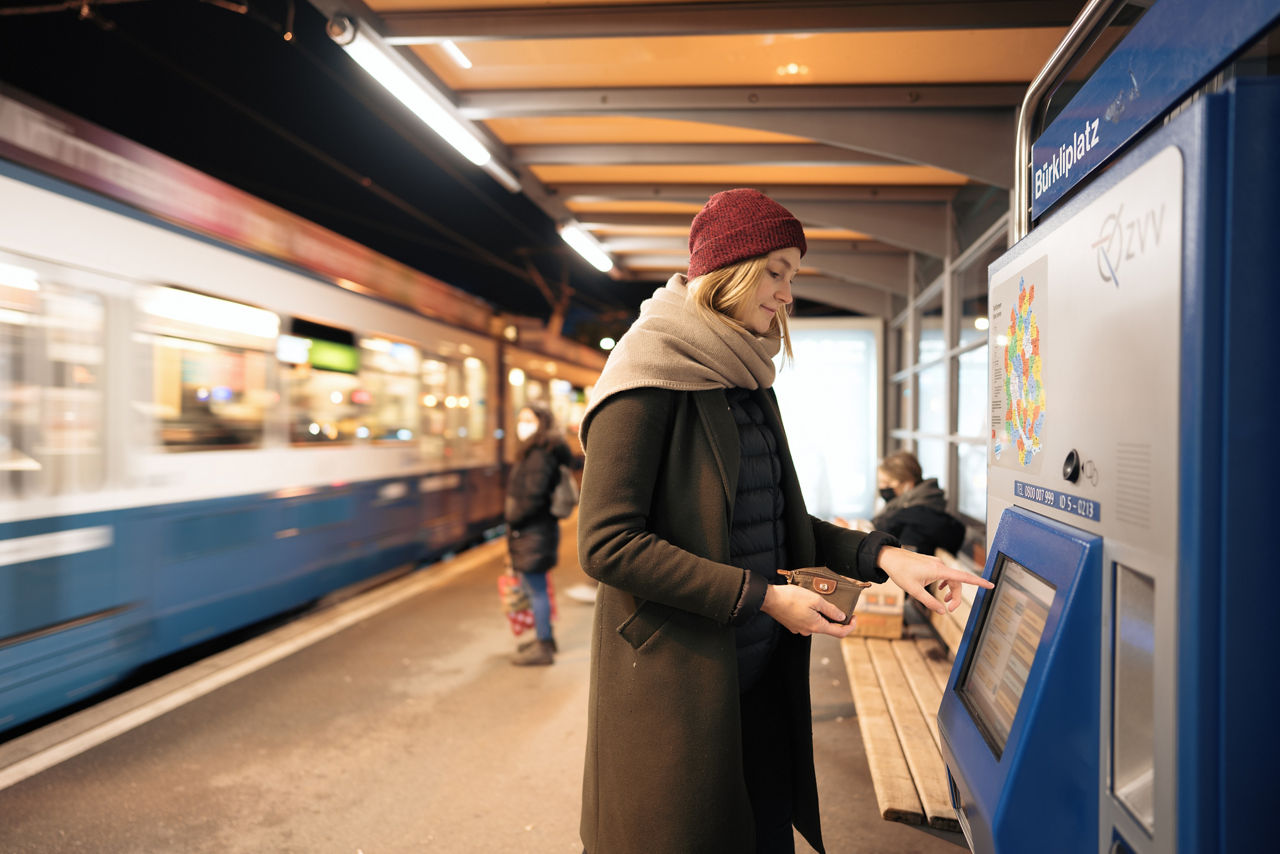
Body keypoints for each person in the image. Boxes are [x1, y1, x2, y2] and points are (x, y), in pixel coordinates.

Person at [574, 188, 992, 854]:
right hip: (680, 692)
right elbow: (606, 545)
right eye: (776, 270)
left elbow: (780, 519)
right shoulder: (646, 375)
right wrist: (765, 597)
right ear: (727, 270)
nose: (787, 293)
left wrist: (890, 559)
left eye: (792, 275)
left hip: (756, 680)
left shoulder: (744, 379)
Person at [504, 400, 570, 666]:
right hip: (536, 530)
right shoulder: (537, 451)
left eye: (529, 419)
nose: (523, 424)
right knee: (535, 588)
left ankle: (543, 647)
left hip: (534, 530)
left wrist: (514, 519)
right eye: (521, 418)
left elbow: (533, 495)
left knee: (537, 589)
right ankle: (546, 638)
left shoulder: (540, 454)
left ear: (542, 422)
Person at [872, 451, 966, 556]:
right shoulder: (903, 506)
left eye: (888, 482)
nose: (882, 487)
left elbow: (908, 558)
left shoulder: (918, 516)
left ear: (908, 483)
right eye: (880, 482)